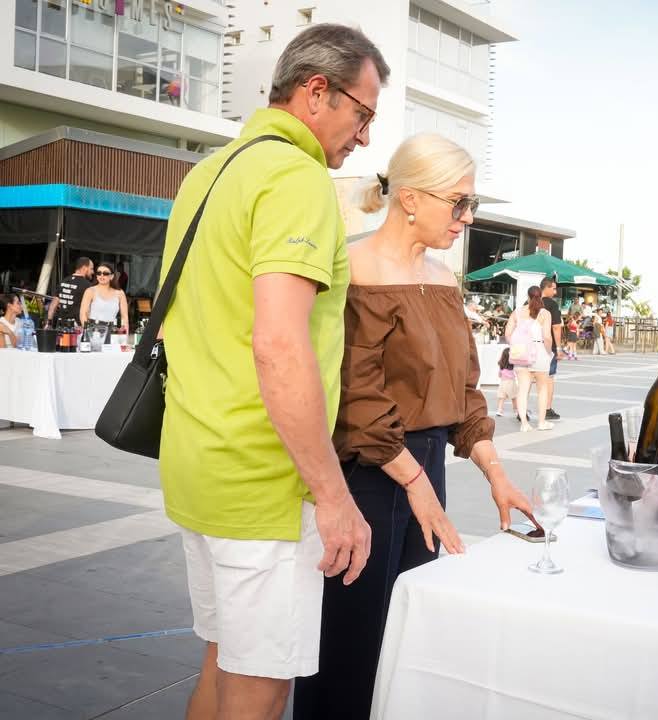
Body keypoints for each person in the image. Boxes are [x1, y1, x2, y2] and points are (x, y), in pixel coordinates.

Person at [159, 24, 388, 720]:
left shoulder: (210, 172)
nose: (365, 137)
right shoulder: (295, 176)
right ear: (317, 92)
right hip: (264, 482)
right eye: (363, 114)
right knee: (260, 689)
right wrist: (333, 495)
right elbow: (280, 346)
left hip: (198, 461)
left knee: (222, 661)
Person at [293, 132, 532, 719]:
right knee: (350, 645)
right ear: (410, 199)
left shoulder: (443, 280)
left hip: (423, 473)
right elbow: (356, 399)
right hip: (368, 479)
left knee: (406, 639)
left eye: (470, 203)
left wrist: (496, 474)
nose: (467, 217)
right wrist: (416, 482)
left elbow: (463, 392)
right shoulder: (354, 270)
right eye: (458, 201)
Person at [506, 285, 555, 431]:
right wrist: (549, 352)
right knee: (542, 389)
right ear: (540, 296)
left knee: (522, 390)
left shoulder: (517, 312)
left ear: (527, 296)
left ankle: (524, 424)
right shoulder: (545, 313)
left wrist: (516, 346)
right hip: (540, 352)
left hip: (521, 353)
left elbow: (508, 334)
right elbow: (547, 337)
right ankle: (541, 423)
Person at [79, 262, 128, 331]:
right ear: (96, 276)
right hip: (93, 329)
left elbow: (125, 317)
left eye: (105, 273)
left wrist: (125, 334)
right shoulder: (90, 291)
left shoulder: (120, 293)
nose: (101, 275)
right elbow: (83, 314)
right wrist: (87, 331)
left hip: (113, 330)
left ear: (112, 276)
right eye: (99, 273)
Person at [540, 277, 563, 421]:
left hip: (530, 346)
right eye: (553, 288)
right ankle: (547, 409)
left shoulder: (529, 303)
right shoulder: (552, 305)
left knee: (526, 379)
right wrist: (559, 348)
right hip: (548, 347)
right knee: (549, 378)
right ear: (546, 287)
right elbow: (556, 327)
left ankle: (520, 410)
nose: (555, 292)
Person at [47, 257, 94, 325]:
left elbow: (54, 303)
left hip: (60, 324)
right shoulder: (87, 285)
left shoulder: (64, 281)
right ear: (84, 268)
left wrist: (49, 322)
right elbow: (88, 309)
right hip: (77, 326)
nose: (92, 272)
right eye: (91, 269)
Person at [495, 347, 519, 416]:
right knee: (514, 397)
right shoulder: (513, 366)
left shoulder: (501, 366)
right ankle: (516, 410)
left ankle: (499, 410)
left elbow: (499, 375)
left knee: (501, 398)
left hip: (503, 383)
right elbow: (517, 374)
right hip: (511, 383)